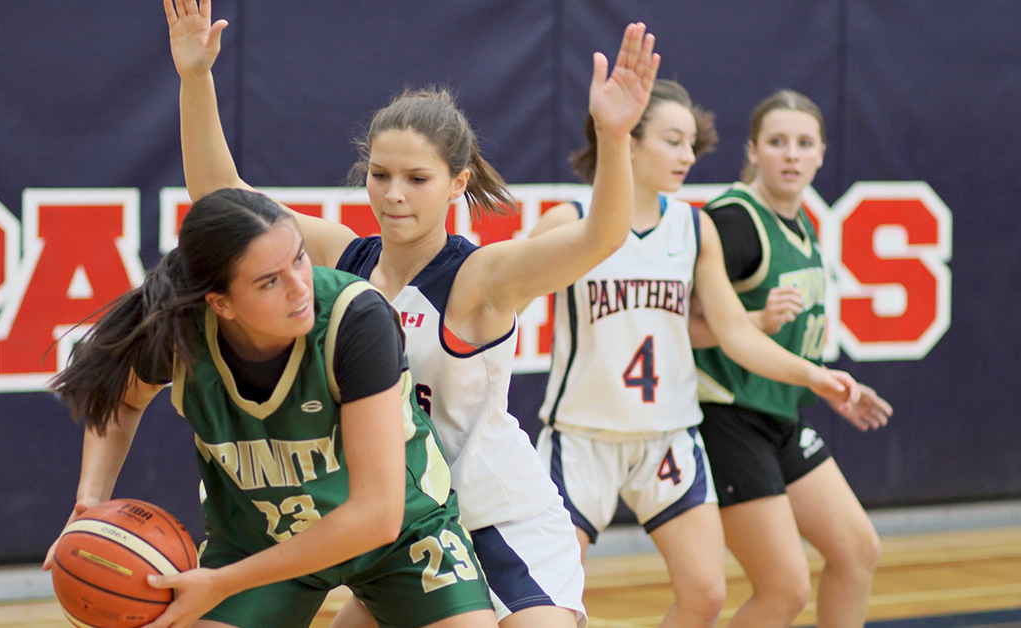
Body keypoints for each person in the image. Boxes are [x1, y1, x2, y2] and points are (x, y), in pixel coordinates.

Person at [163, 1, 661, 625]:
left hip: (491, 517)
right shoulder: (340, 262)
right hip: (402, 522)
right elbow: (222, 198)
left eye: (417, 179)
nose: (394, 193)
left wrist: (614, 137)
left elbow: (600, 239)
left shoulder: (479, 278)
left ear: (457, 183)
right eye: (379, 174)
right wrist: (195, 78)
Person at [43, 189, 498, 628]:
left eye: (298, 258)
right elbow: (122, 398)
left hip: (400, 535)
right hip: (259, 539)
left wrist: (221, 583)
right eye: (269, 281)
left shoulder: (353, 317)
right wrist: (91, 499)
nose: (300, 287)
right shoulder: (182, 331)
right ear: (220, 303)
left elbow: (376, 516)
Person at [523, 80, 861, 628]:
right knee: (547, 598)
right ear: (628, 140)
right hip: (583, 437)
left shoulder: (693, 225)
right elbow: (495, 303)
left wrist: (814, 376)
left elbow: (733, 332)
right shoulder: (567, 222)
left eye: (691, 145)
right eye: (674, 141)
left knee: (705, 596)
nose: (688, 157)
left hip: (669, 437)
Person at [691, 89, 892, 628]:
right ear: (753, 150)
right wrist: (754, 322)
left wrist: (826, 388)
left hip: (779, 415)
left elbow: (792, 344)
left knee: (857, 549)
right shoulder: (734, 221)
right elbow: (675, 325)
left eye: (805, 144)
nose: (792, 154)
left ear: (822, 153)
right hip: (726, 416)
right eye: (777, 142)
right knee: (784, 589)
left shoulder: (802, 228)